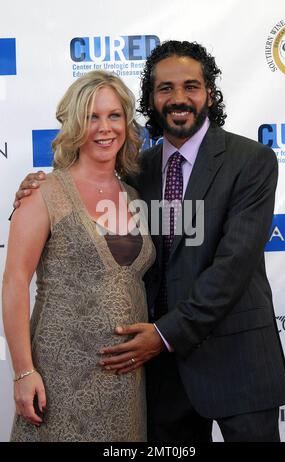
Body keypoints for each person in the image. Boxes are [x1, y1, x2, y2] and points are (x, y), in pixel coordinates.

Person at [13, 40, 285, 442]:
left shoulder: (251, 162)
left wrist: (162, 336)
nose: (179, 98)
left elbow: (232, 268)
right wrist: (36, 188)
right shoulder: (136, 171)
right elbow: (81, 196)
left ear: (209, 94)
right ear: (151, 100)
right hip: (160, 377)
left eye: (191, 86)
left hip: (238, 365)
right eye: (165, 89)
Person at [2, 70, 156, 442]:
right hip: (58, 377)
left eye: (114, 115)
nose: (105, 128)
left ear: (126, 122)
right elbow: (14, 282)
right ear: (74, 124)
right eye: (92, 116)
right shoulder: (45, 191)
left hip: (125, 379)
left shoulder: (135, 196)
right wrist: (24, 372)